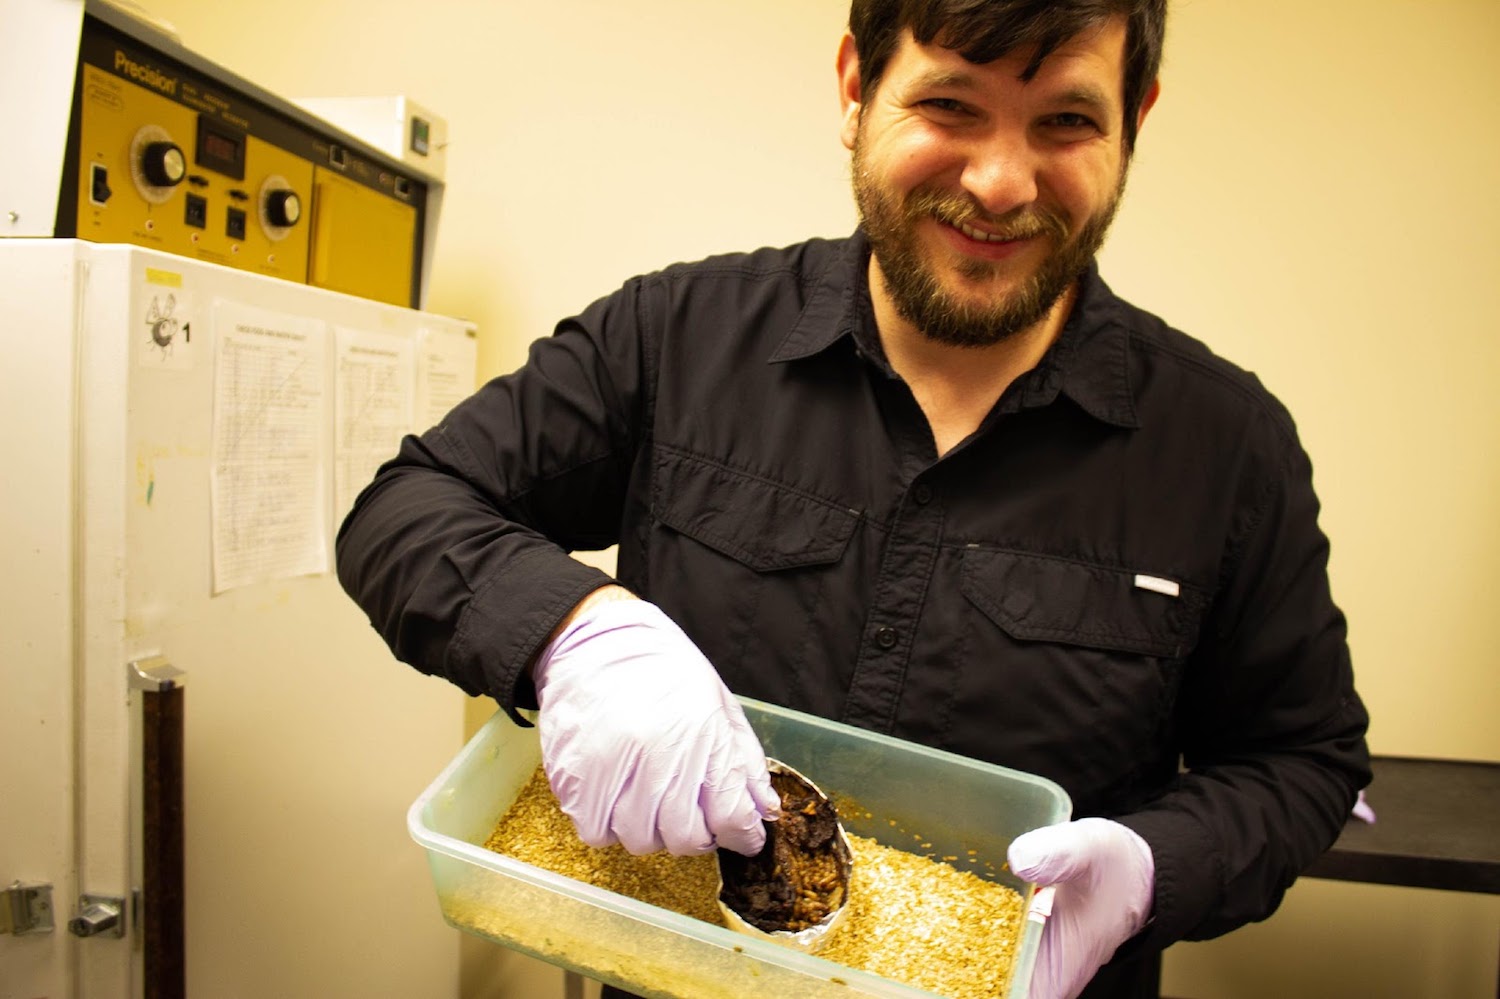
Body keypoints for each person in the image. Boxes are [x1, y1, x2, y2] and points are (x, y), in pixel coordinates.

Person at [335, 1, 1371, 996]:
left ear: (1133, 121)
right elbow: (405, 507)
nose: (1003, 183)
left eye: (1065, 120)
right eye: (950, 106)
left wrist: (1154, 870)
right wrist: (572, 630)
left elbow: (1303, 761)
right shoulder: (676, 339)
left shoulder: (1230, 447)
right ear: (855, 89)